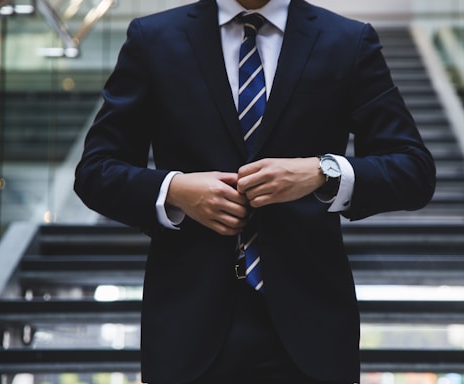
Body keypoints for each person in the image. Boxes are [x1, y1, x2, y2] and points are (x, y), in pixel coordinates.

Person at [74, 0, 436, 383]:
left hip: (312, 329)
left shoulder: (347, 40)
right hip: (187, 325)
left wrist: (322, 171)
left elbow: (414, 170)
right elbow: (96, 172)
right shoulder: (153, 38)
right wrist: (175, 190)